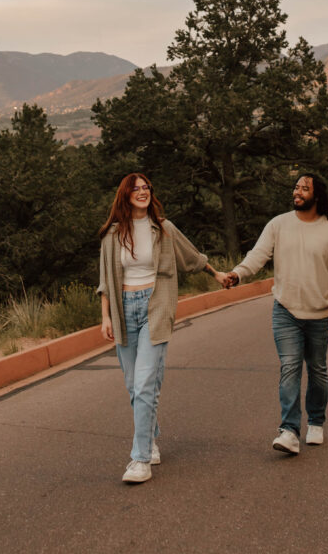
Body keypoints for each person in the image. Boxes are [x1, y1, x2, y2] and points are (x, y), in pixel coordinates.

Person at [98, 172, 230, 484]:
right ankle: (150, 437)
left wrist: (217, 274)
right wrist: (105, 317)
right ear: (125, 195)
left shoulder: (164, 229)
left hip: (155, 307)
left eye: (146, 188)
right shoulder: (112, 235)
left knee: (144, 384)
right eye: (136, 189)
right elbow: (105, 280)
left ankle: (140, 459)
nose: (142, 192)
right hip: (123, 310)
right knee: (134, 386)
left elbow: (191, 257)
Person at [225, 173, 328, 455]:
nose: (297, 192)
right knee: (290, 366)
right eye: (296, 187)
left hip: (320, 314)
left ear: (316, 196)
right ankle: (290, 430)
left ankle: (316, 422)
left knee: (317, 370)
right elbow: (258, 255)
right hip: (285, 311)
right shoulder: (279, 225)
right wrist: (238, 273)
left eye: (304, 189)